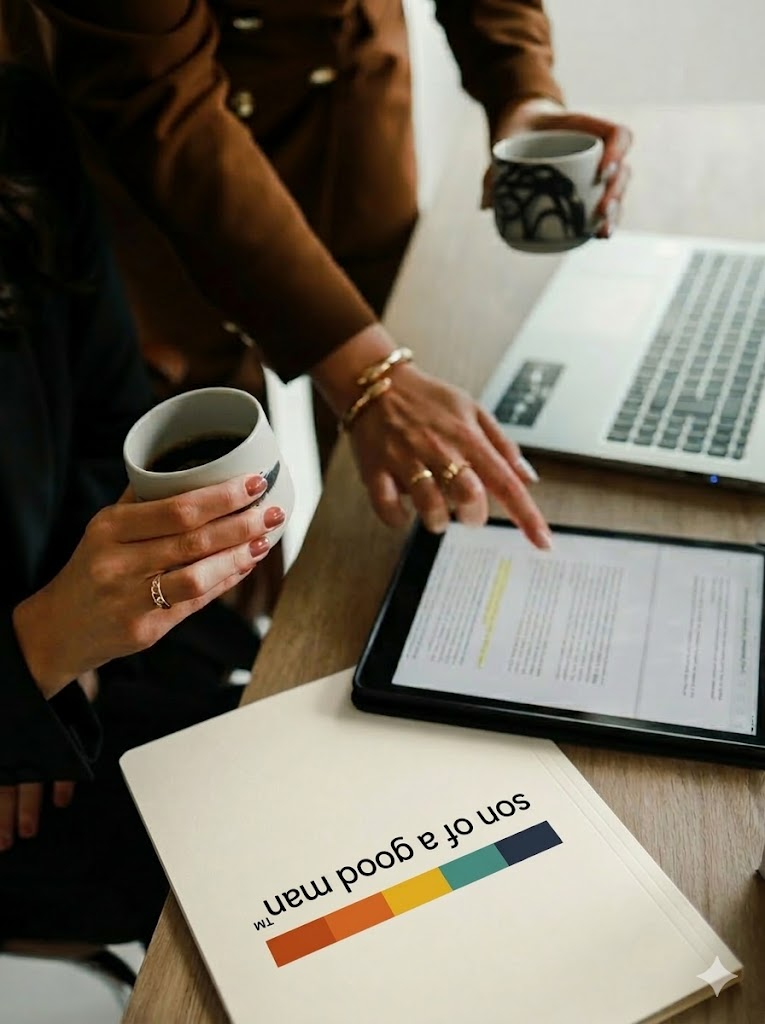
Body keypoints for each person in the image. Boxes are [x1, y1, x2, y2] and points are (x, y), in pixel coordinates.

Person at [0, 0, 630, 547]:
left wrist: (520, 85)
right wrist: (369, 377)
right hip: (167, 180)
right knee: (206, 487)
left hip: (353, 120)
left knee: (401, 460)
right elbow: (154, 93)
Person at [0, 63, 280, 946]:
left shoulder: (19, 123)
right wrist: (33, 658)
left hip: (93, 644)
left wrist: (78, 633)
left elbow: (105, 407)